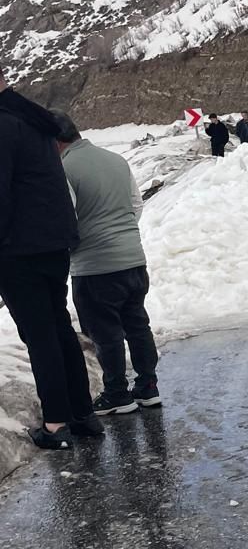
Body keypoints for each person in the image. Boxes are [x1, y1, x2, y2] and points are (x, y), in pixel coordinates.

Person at [0, 75, 99, 450]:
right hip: (52, 244)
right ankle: (82, 415)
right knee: (57, 327)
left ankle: (56, 424)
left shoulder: (3, 124)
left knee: (40, 336)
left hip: (18, 249)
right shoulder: (33, 119)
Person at [57, 121, 161, 417]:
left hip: (94, 266)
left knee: (106, 333)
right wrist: (120, 234)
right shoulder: (116, 160)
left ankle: (116, 394)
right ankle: (148, 387)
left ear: (55, 141)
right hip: (132, 259)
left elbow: (67, 217)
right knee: (138, 325)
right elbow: (135, 205)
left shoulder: (63, 168)